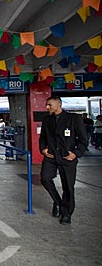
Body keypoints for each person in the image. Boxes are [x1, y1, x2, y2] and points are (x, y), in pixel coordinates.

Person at [39, 96, 88, 225]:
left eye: (49, 104)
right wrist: (43, 149)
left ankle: (66, 213)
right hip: (51, 156)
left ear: (58, 104)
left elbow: (83, 140)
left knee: (68, 186)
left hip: (67, 157)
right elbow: (43, 137)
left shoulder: (74, 118)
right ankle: (58, 202)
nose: (47, 107)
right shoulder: (47, 120)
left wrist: (76, 153)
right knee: (45, 178)